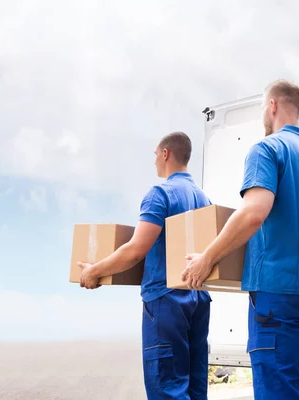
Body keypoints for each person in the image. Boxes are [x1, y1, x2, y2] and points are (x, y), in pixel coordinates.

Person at [181, 79, 299, 400]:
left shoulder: (267, 149)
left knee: (279, 391)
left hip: (278, 295)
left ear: (272, 106)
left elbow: (254, 212)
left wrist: (207, 258)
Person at [78, 132, 212, 400]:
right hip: (198, 299)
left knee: (167, 388)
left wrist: (94, 271)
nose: (153, 161)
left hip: (166, 301)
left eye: (154, 154)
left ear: (165, 154)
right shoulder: (203, 198)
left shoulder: (160, 194)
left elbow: (136, 249)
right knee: (195, 388)